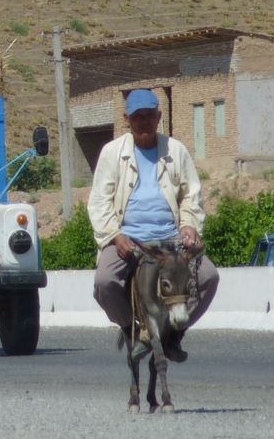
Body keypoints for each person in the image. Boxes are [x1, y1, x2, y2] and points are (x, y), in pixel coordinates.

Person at [87, 88, 219, 362]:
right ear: (127, 119)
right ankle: (133, 330)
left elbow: (191, 195)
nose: (144, 121)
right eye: (138, 117)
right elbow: (99, 202)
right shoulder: (113, 153)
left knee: (208, 277)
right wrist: (115, 235)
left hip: (170, 240)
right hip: (129, 239)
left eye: (149, 115)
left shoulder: (176, 151)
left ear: (159, 116)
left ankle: (171, 333)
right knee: (105, 282)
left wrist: (189, 225)